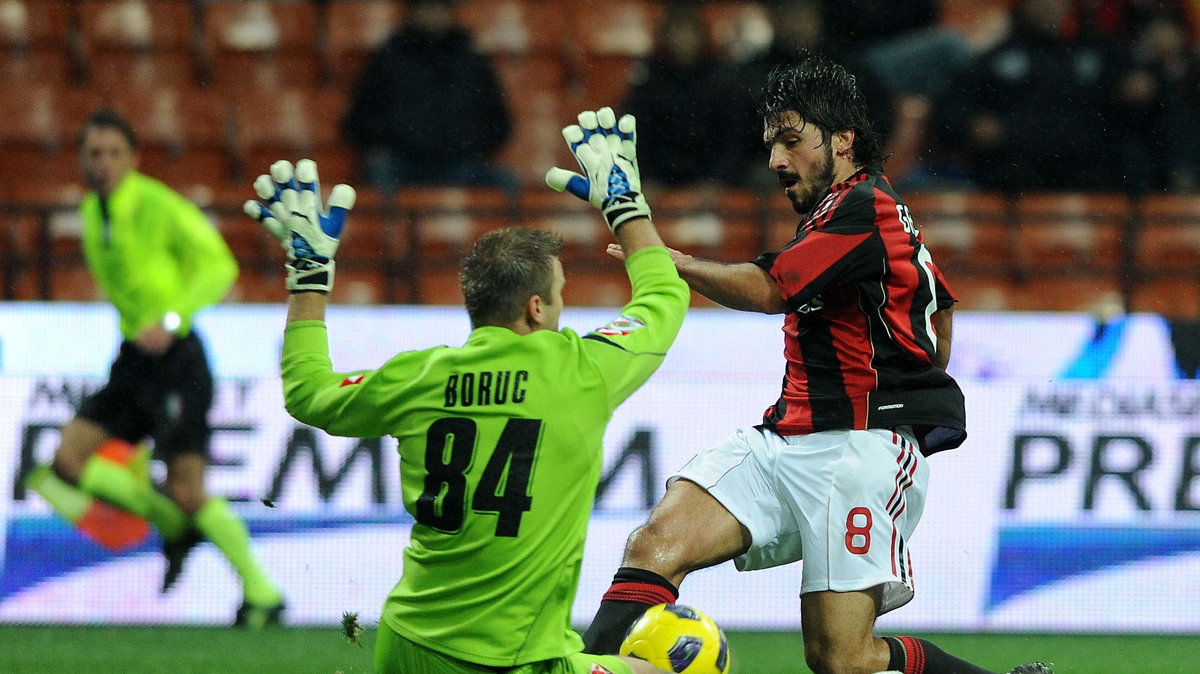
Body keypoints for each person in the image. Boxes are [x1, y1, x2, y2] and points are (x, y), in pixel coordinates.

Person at [580, 54, 1052, 674]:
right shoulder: (855, 216)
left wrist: (672, 259)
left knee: (842, 660)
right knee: (654, 543)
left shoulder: (866, 207)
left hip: (860, 452)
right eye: (771, 143)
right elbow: (940, 321)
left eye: (791, 140)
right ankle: (583, 666)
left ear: (843, 140)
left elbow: (773, 287)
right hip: (786, 439)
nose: (776, 160)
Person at [245, 105, 689, 673]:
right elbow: (663, 297)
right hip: (508, 660)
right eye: (558, 293)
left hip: (407, 644)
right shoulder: (581, 369)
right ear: (536, 307)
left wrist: (308, 278)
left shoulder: (417, 376)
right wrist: (625, 204)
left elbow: (306, 391)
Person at [25, 108, 285, 627]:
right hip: (132, 361)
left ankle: (264, 594)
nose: (102, 164)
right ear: (80, 159)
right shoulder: (93, 212)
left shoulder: (156, 204)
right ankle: (172, 525)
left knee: (188, 488)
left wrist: (171, 317)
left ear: (133, 159)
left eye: (113, 153)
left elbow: (219, 265)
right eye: (93, 154)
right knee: (67, 463)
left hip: (178, 359)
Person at [339, 0, 518, 195]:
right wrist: (399, 137)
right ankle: (386, 227)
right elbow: (358, 120)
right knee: (379, 169)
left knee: (506, 183)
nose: (434, 14)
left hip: (461, 164)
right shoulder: (388, 59)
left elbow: (498, 121)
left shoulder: (472, 60)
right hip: (401, 163)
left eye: (441, 8)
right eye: (427, 7)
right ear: (412, 12)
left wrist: (466, 144)